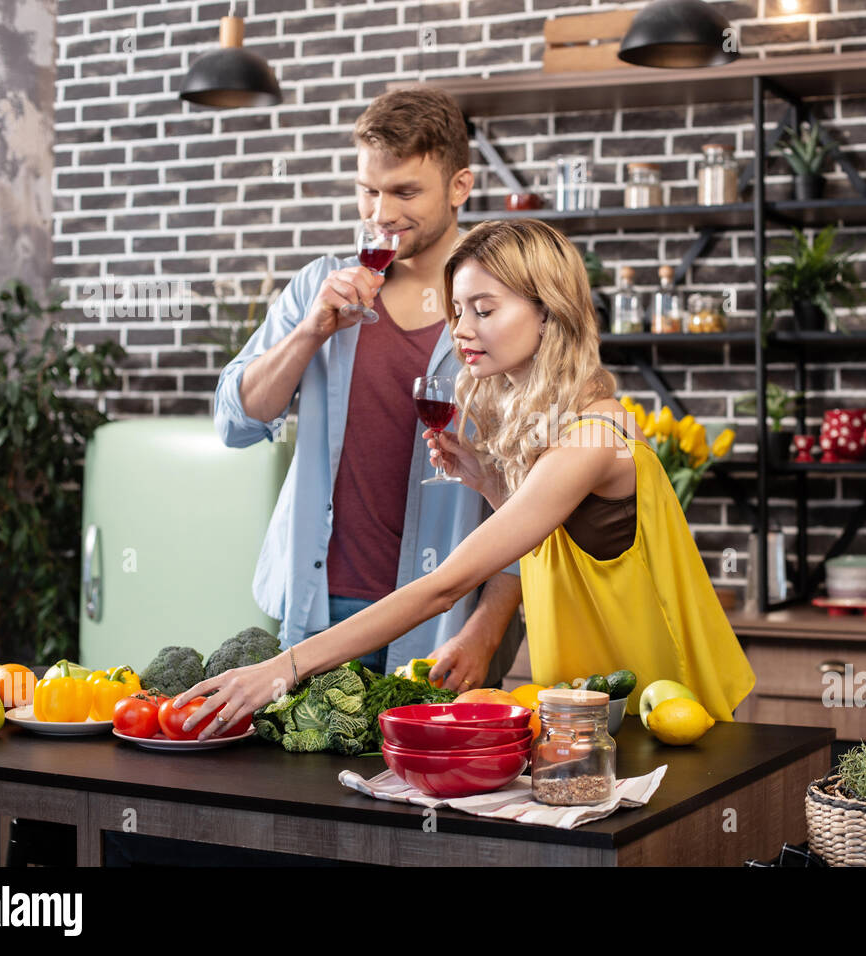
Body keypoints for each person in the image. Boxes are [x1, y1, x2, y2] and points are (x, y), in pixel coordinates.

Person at [176, 219, 755, 740]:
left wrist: (284, 667)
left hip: (659, 715)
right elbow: (570, 550)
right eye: (457, 311)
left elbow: (445, 586)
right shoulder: (572, 420)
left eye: (485, 309)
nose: (462, 330)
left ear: (548, 311)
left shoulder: (592, 435)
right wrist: (491, 486)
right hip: (595, 716)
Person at [212, 87, 524, 692]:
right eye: (368, 190)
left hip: (445, 625)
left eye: (406, 192)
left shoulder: (504, 305)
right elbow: (236, 421)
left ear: (460, 186)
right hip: (311, 614)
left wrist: (486, 632)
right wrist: (309, 333)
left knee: (426, 787)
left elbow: (534, 499)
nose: (381, 213)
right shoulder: (318, 288)